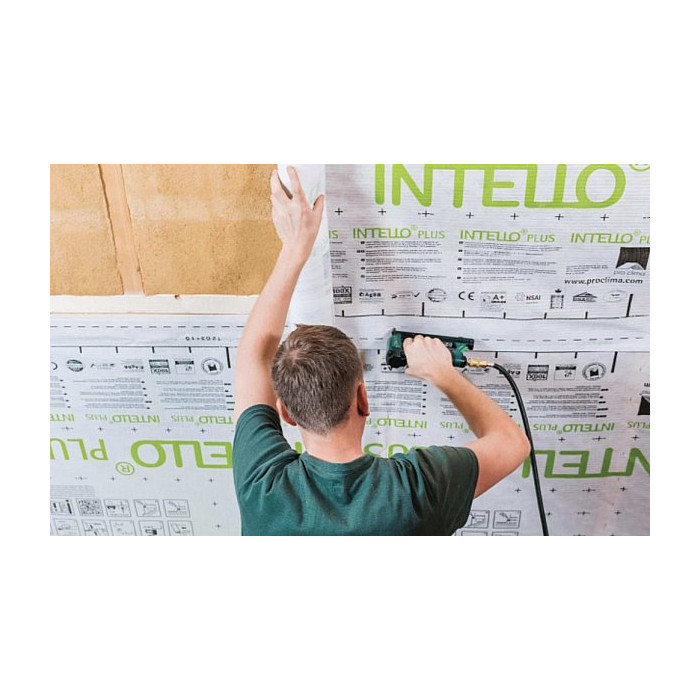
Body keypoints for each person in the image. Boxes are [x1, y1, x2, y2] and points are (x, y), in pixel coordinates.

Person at [232, 166, 530, 535]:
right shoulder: (416, 491)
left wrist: (294, 248)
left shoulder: (262, 488)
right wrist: (444, 375)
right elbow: (512, 444)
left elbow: (254, 356)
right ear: (362, 398)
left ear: (286, 414)